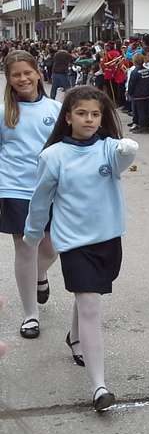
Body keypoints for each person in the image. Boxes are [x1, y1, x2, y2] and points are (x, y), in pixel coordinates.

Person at [24, 86, 138, 411]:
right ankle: (99, 386)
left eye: (95, 114)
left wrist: (128, 149)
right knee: (89, 306)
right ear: (68, 117)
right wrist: (33, 235)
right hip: (74, 243)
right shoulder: (53, 156)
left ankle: (74, 337)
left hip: (109, 240)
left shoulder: (109, 149)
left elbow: (125, 157)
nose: (89, 119)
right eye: (82, 113)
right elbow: (41, 200)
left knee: (89, 297)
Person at [0, 51, 61, 339]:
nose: (23, 78)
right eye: (16, 74)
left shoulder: (56, 109)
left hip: (52, 190)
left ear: (38, 73)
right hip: (15, 189)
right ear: (9, 79)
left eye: (27, 72)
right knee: (25, 250)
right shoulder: (4, 113)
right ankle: (30, 315)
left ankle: (39, 275)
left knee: (51, 248)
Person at [127, 54, 149, 134]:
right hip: (147, 94)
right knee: (145, 111)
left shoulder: (134, 72)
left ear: (134, 61)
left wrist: (129, 93)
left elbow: (131, 84)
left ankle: (143, 128)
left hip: (138, 95)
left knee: (140, 112)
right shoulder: (147, 70)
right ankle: (145, 126)